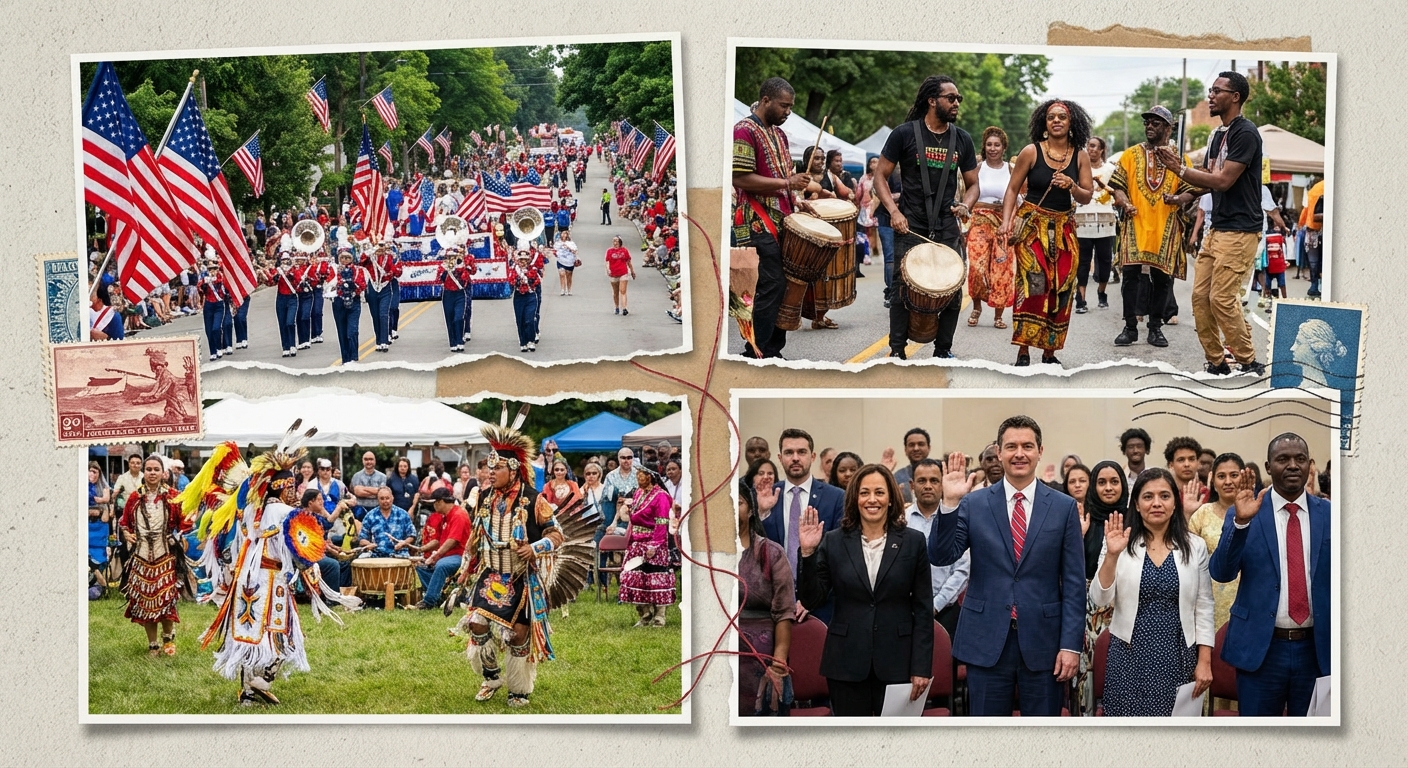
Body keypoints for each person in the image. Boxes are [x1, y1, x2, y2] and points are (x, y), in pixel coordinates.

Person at [181, 435, 360, 705]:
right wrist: (310, 568)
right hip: (271, 579)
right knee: (281, 634)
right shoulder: (287, 513)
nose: (295, 492)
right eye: (292, 487)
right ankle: (263, 680)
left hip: (246, 579)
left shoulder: (253, 512)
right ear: (282, 487)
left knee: (249, 636)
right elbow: (298, 551)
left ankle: (247, 694)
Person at [928, 416, 1086, 716]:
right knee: (988, 736)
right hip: (986, 641)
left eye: (1027, 446)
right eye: (1011, 446)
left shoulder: (1063, 507)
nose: (1019, 454)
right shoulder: (973, 503)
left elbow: (1075, 584)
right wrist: (948, 503)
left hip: (1044, 643)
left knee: (1042, 736)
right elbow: (941, 555)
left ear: (1040, 451)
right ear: (999, 452)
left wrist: (1070, 645)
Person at [796, 463, 934, 716]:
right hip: (846, 662)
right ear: (855, 498)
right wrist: (807, 552)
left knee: (894, 738)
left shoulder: (913, 542)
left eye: (879, 492)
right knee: (852, 737)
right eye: (864, 493)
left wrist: (921, 667)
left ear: (890, 499)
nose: (872, 500)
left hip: (898, 661)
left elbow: (923, 609)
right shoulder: (833, 541)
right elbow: (812, 599)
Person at [1209, 433, 1330, 716]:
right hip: (1262, 650)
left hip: (1316, 649)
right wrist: (1241, 522)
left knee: (1312, 738)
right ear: (1268, 466)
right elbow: (1222, 573)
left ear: (1309, 465)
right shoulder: (1245, 512)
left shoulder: (1329, 514)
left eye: (1300, 459)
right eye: (1283, 459)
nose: (1292, 465)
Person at [455, 420, 574, 708]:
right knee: (476, 624)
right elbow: (475, 536)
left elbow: (557, 534)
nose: (490, 472)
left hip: (520, 577)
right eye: (489, 467)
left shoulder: (534, 500)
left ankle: (519, 690)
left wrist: (534, 548)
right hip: (491, 574)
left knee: (518, 634)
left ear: (513, 470)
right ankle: (491, 677)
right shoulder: (484, 498)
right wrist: (465, 567)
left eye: (497, 468)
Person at [1154, 72, 1266, 376]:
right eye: (1210, 90)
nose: (1210, 96)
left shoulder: (1246, 133)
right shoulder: (1217, 135)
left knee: (1222, 299)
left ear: (1235, 97)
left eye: (1217, 91)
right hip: (1217, 228)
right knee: (1201, 298)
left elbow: (1224, 180)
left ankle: (1248, 360)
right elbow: (1208, 176)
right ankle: (1217, 362)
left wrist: (1179, 169)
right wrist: (1184, 196)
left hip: (1241, 230)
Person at [1091, 467, 1215, 716]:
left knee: (1175, 734)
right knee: (1129, 732)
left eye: (1164, 496)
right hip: (1129, 655)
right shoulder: (1119, 542)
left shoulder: (1195, 546)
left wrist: (1204, 661)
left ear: (1175, 503)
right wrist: (1112, 555)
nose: (1156, 503)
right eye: (1148, 497)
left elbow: (1204, 607)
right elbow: (1099, 598)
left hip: (1178, 655)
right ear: (1136, 504)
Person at [874, 75, 979, 360]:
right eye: (951, 98)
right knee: (901, 289)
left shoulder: (962, 139)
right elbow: (880, 176)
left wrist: (966, 204)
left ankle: (943, 350)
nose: (957, 103)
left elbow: (973, 185)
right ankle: (897, 350)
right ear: (932, 100)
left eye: (958, 99)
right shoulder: (904, 134)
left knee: (952, 289)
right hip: (910, 224)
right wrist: (894, 211)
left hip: (946, 225)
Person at [998, 100, 1095, 367]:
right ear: (1044, 122)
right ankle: (1024, 350)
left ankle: (1049, 351)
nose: (1056, 121)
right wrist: (1006, 222)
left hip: (1064, 231)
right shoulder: (1031, 151)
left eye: (1062, 117)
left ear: (1071, 123)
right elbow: (1012, 189)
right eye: (1051, 117)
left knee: (1061, 290)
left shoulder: (1080, 156)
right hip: (1032, 230)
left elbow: (1087, 196)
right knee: (1034, 286)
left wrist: (1072, 185)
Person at [732, 77, 812, 359]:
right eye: (784, 106)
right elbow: (740, 178)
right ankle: (756, 351)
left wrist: (799, 202)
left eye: (790, 107)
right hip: (755, 222)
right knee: (772, 284)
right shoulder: (744, 130)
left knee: (785, 284)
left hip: (782, 220)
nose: (788, 112)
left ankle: (773, 350)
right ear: (766, 100)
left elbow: (783, 178)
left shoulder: (779, 135)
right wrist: (789, 183)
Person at [1110, 106, 1200, 349]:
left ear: (1168, 129)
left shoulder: (1179, 159)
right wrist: (1125, 202)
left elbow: (1191, 190)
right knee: (1130, 277)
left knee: (1162, 279)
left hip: (1165, 227)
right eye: (1147, 122)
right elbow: (1117, 186)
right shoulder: (1130, 155)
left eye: (1156, 123)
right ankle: (1130, 328)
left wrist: (1178, 199)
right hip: (1135, 224)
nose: (1149, 126)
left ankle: (1155, 328)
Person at [761, 429, 845, 620]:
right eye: (789, 453)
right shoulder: (767, 495)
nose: (795, 458)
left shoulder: (835, 497)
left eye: (801, 452)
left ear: (812, 456)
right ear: (780, 458)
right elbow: (757, 547)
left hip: (821, 604)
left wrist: (810, 599)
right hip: (772, 603)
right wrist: (762, 513)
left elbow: (839, 554)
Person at [118, 455, 188, 656]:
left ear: (163, 473)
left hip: (165, 556)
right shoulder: (135, 497)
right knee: (146, 603)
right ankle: (153, 645)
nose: (152, 473)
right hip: (141, 558)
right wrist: (126, 533)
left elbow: (185, 522)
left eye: (156, 469)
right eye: (148, 469)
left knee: (165, 599)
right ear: (144, 471)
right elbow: (124, 522)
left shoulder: (172, 496)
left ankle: (168, 638)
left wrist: (180, 536)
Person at [1074, 460, 1129, 715]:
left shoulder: (1134, 520)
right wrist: (1077, 535)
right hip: (1086, 612)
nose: (1108, 488)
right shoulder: (1082, 519)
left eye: (1114, 482)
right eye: (1102, 482)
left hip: (1124, 609)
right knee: (1088, 678)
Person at [736, 479, 795, 716]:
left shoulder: (771, 553)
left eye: (738, 503)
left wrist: (778, 661)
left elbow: (784, 612)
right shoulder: (707, 555)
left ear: (751, 510)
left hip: (762, 654)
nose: (731, 509)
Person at [907, 459, 971, 640]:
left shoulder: (957, 520)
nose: (928, 486)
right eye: (922, 481)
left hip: (946, 612)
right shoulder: (901, 521)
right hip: (907, 610)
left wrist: (936, 604)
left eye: (934, 480)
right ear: (912, 485)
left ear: (943, 484)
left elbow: (962, 570)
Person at [1188, 453, 1246, 630]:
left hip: (1246, 600)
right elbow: (1189, 563)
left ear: (1244, 477)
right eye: (1221, 476)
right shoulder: (1202, 514)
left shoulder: (1256, 514)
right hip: (1208, 600)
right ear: (1213, 481)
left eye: (1234, 475)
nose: (1228, 481)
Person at [965, 126, 1015, 329]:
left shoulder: (1011, 170)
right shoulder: (977, 169)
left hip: (1003, 222)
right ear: (984, 147)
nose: (993, 148)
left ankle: (998, 315)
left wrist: (1010, 222)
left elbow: (1018, 198)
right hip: (979, 221)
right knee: (977, 267)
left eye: (997, 145)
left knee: (1001, 269)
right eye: (989, 145)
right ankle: (976, 307)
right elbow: (967, 194)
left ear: (1004, 148)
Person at [619, 467, 676, 627]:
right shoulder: (638, 493)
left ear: (650, 477)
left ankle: (659, 616)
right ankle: (645, 614)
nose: (638, 478)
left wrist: (654, 545)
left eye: (641, 475)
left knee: (655, 579)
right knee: (633, 578)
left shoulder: (661, 496)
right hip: (636, 542)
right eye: (637, 475)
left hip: (653, 542)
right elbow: (636, 517)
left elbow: (662, 522)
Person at [1074, 135, 1117, 315]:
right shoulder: (1078, 168)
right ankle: (1081, 298)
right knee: (1083, 260)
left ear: (1101, 150)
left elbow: (1117, 192)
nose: (1090, 149)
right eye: (1088, 146)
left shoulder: (1110, 169)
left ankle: (1102, 292)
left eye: (1094, 146)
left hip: (1105, 219)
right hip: (1082, 218)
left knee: (1105, 259)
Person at [411, 488, 471, 610]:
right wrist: (420, 549)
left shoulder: (458, 515)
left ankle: (428, 602)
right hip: (448, 555)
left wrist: (436, 556)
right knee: (420, 566)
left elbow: (452, 541)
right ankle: (439, 597)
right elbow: (438, 540)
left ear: (440, 502)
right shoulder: (445, 516)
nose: (433, 506)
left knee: (441, 565)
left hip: (461, 556)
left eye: (433, 503)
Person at [330, 246, 367, 365]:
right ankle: (345, 359)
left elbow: (362, 284)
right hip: (339, 302)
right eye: (342, 258)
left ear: (351, 258)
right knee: (342, 332)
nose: (345, 260)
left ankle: (354, 357)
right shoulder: (334, 270)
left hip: (354, 302)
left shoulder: (358, 270)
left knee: (352, 331)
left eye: (347, 258)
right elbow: (328, 285)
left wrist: (353, 286)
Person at [361, 242, 401, 353]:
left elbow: (398, 271)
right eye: (379, 247)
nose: (381, 249)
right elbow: (361, 261)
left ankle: (384, 341)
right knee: (375, 316)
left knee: (383, 314)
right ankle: (378, 341)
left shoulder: (390, 257)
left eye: (383, 247)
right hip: (372, 288)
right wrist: (372, 251)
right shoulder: (370, 257)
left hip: (385, 288)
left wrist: (391, 272)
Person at [358, 487, 415, 558]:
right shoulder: (370, 516)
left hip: (400, 554)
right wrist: (369, 544)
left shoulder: (403, 514)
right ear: (378, 500)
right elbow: (362, 539)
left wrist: (404, 543)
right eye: (382, 498)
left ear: (392, 498)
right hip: (376, 555)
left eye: (387, 498)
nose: (385, 501)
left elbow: (412, 535)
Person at [437, 247, 473, 352]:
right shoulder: (442, 267)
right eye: (449, 257)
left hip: (459, 294)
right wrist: (446, 270)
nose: (451, 259)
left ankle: (460, 340)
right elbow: (439, 279)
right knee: (450, 319)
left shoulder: (461, 266)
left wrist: (459, 268)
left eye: (453, 257)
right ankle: (453, 342)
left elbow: (465, 279)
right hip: (448, 295)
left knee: (458, 317)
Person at [264, 252, 300, 357]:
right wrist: (276, 276)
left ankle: (292, 345)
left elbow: (298, 282)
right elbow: (271, 282)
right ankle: (285, 347)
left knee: (290, 322)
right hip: (281, 298)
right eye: (283, 260)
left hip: (292, 298)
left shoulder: (294, 269)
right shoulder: (278, 270)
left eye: (287, 259)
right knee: (282, 323)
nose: (285, 262)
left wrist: (290, 275)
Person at [509, 249, 543, 352]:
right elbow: (511, 282)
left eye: (525, 260)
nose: (523, 262)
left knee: (530, 319)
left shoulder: (533, 269)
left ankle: (531, 341)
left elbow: (537, 281)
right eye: (521, 260)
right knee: (520, 320)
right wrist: (518, 281)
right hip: (519, 297)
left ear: (528, 260)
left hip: (530, 296)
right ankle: (523, 342)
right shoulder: (514, 270)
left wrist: (529, 279)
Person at [1164, 436, 1208, 513]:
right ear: (1171, 465)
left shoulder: (1206, 493)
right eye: (1181, 460)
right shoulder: (1164, 494)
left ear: (1198, 463)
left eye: (1191, 459)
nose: (1187, 464)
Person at [891, 427, 932, 504]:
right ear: (905, 450)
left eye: (921, 444)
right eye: (911, 445)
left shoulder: (940, 473)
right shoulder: (897, 478)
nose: (916, 448)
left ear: (929, 448)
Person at [1299, 177, 1325, 298]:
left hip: (1312, 231)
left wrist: (1301, 224)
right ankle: (1321, 285)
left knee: (1313, 261)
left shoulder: (1313, 191)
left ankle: (1315, 285)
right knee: (1323, 260)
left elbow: (1305, 211)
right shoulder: (1326, 187)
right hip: (1325, 230)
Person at [198, 262, 229, 361]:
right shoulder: (205, 279)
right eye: (210, 269)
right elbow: (199, 288)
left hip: (219, 306)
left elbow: (223, 285)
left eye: (214, 269)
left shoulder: (221, 278)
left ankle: (219, 347)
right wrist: (203, 284)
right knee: (209, 330)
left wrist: (213, 279)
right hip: (208, 306)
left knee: (216, 328)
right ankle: (213, 352)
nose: (212, 271)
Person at [349, 451, 387, 518]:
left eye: (371, 459)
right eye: (366, 459)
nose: (369, 461)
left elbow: (382, 493)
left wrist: (363, 488)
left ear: (375, 461)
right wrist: (376, 491)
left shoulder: (383, 477)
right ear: (362, 461)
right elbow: (358, 493)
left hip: (378, 509)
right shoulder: (356, 476)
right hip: (360, 510)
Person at [605, 235, 635, 315]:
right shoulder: (609, 251)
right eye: (613, 240)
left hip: (623, 272)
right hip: (613, 273)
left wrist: (632, 271)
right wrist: (608, 269)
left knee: (623, 291)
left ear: (620, 242)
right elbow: (607, 262)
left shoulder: (624, 251)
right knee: (615, 292)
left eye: (616, 240)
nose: (614, 242)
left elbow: (628, 262)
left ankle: (624, 308)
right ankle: (617, 307)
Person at [554, 230, 579, 296]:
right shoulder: (558, 242)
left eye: (565, 234)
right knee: (562, 274)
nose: (563, 235)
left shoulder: (571, 243)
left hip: (569, 262)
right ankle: (562, 289)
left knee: (569, 276)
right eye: (562, 233)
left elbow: (575, 251)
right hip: (560, 261)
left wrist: (568, 247)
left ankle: (569, 289)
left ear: (567, 235)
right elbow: (555, 250)